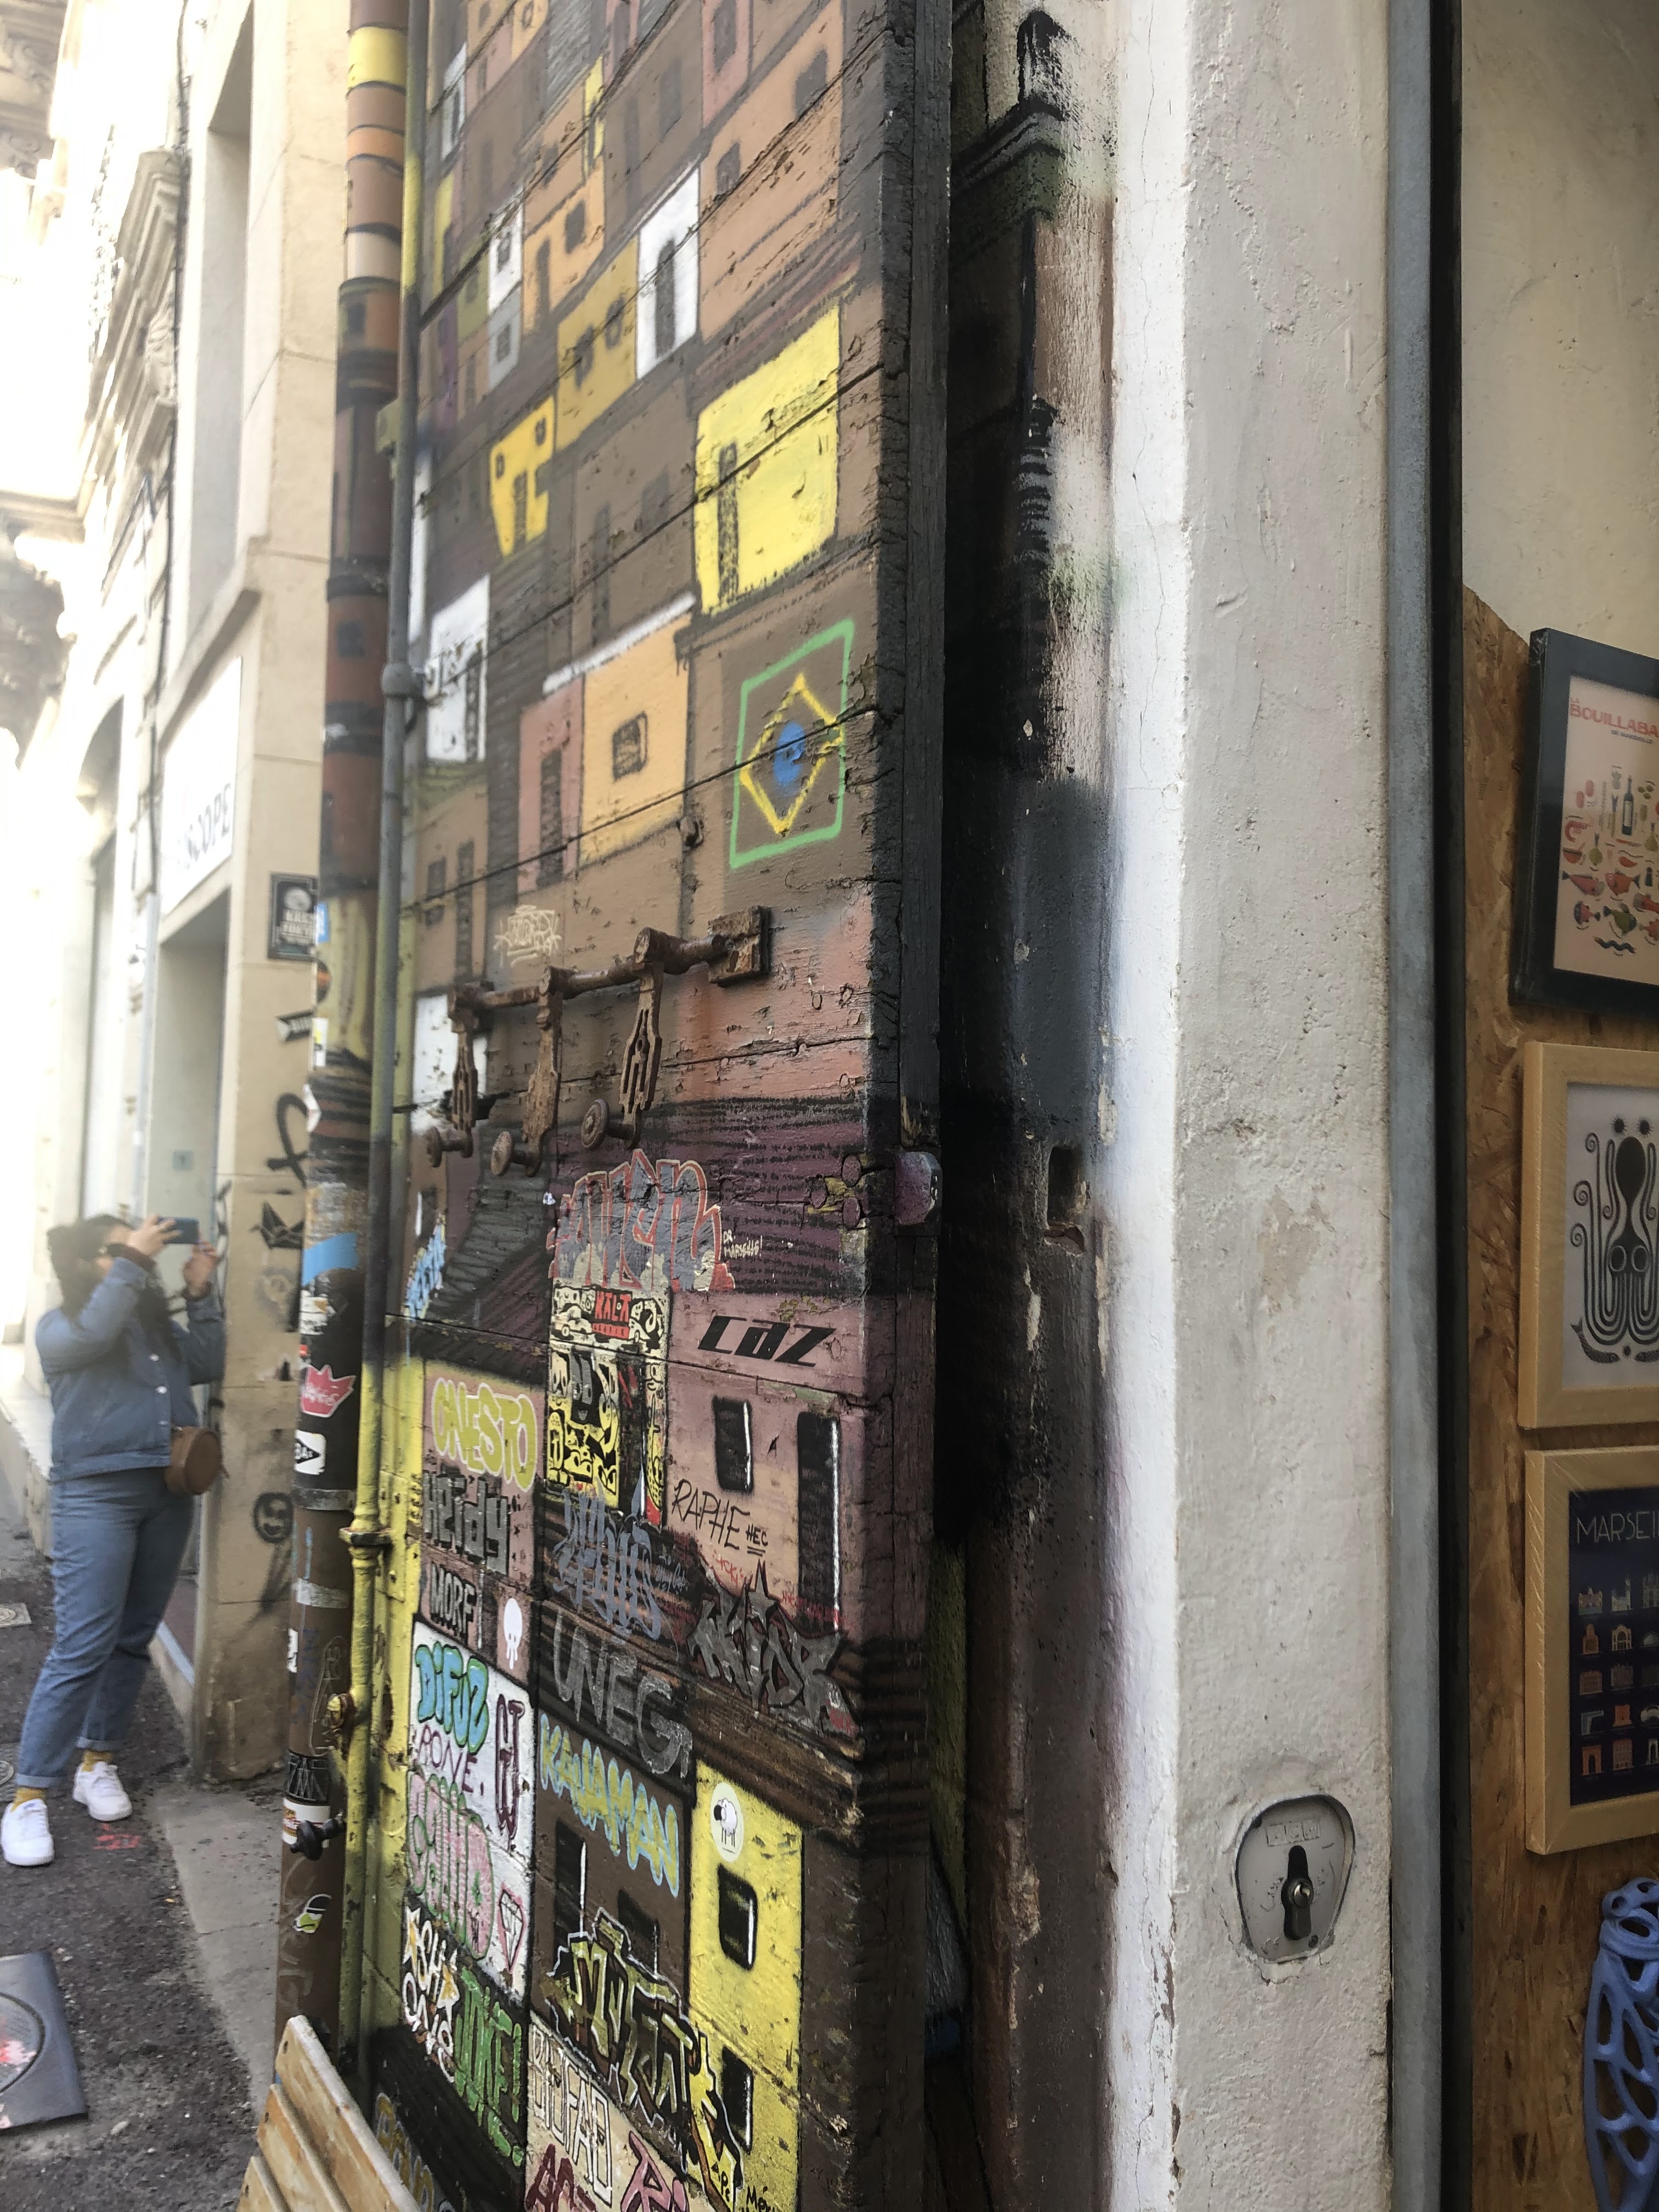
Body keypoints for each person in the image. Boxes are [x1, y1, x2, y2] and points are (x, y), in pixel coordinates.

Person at [1, 1214, 223, 1869]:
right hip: (97, 1497)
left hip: (168, 1493)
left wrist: (201, 1292)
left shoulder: (152, 1328)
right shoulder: (61, 1327)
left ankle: (98, 1761)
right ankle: (28, 1796)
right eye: (118, 1248)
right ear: (83, 1261)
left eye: (139, 1246)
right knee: (82, 1644)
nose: (138, 1255)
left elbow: (207, 1362)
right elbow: (94, 1332)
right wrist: (135, 1260)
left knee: (133, 1637)